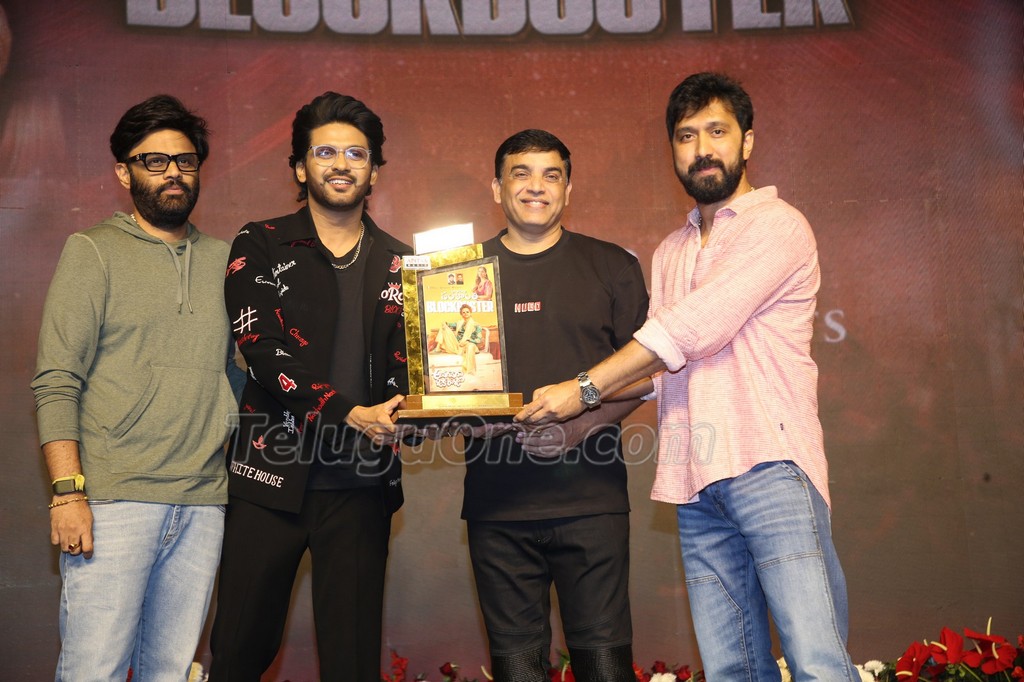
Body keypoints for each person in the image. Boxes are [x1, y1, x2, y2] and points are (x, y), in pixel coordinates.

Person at [517, 73, 859, 681]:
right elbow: (662, 371)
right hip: (696, 483)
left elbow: (692, 329)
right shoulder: (672, 250)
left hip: (772, 468)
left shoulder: (777, 225)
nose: (702, 148)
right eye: (686, 136)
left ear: (747, 142)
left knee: (817, 663)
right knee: (731, 668)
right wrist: (577, 425)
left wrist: (582, 389)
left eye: (717, 132)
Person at [31, 94, 243, 680]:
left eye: (186, 160)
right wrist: (68, 494)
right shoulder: (92, 251)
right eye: (155, 160)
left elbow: (237, 374)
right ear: (124, 172)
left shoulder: (228, 261)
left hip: (202, 502)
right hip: (112, 501)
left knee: (170, 672)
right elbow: (56, 380)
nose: (173, 172)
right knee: (93, 670)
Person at [209, 92, 410, 681]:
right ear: (300, 167)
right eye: (325, 152)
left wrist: (424, 408)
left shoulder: (406, 263)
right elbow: (261, 351)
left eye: (357, 153)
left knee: (352, 663)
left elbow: (415, 370)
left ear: (375, 170)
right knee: (239, 652)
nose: (341, 164)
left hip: (362, 485)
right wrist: (349, 411)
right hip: (268, 479)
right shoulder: (260, 243)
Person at [458, 129, 649, 682]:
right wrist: (450, 415)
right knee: (517, 670)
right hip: (496, 508)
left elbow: (647, 374)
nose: (536, 187)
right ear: (497, 188)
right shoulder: (458, 275)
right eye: (520, 173)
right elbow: (441, 380)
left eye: (551, 175)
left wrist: (581, 423)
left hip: (592, 503)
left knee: (605, 667)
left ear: (569, 188)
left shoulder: (612, 266)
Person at [428, 302, 484, 374]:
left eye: (467, 312)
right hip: (457, 345)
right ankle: (437, 348)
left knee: (470, 346)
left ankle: (470, 371)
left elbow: (478, 339)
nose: (465, 313)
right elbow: (449, 324)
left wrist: (469, 340)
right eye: (463, 312)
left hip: (468, 344)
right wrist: (445, 323)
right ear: (461, 314)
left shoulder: (476, 325)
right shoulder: (459, 323)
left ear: (470, 313)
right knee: (443, 327)